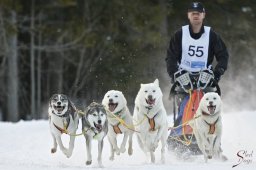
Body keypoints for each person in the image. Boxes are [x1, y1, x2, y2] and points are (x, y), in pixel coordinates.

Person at [166, 2, 229, 85]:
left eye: (198, 13)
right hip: (183, 77)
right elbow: (171, 56)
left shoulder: (212, 35)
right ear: (188, 15)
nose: (195, 16)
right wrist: (173, 74)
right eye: (193, 13)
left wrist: (217, 73)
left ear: (203, 15)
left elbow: (223, 55)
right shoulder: (179, 34)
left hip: (205, 78)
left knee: (211, 97)